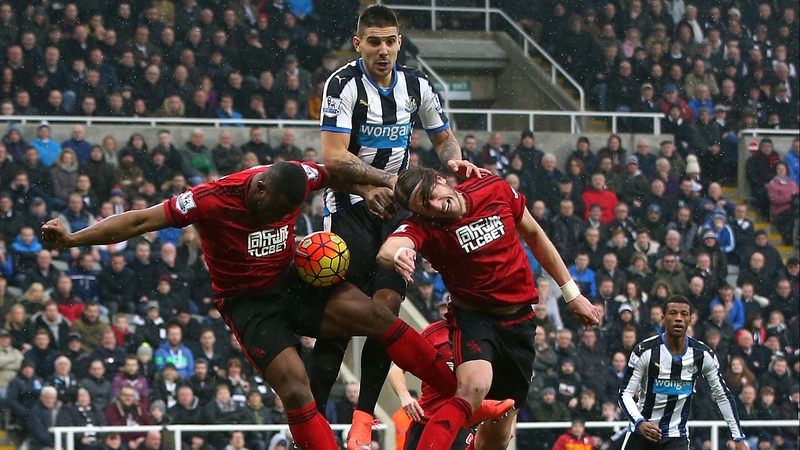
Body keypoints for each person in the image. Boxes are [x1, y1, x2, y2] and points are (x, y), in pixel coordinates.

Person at [40, 161, 470, 450]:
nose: (273, 219)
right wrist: (75, 238)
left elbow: (337, 170)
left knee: (379, 316)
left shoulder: (294, 177)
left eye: (284, 214)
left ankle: (461, 395)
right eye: (272, 212)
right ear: (258, 188)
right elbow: (138, 220)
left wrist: (377, 182)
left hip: (292, 279)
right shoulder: (210, 199)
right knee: (297, 389)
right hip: (248, 305)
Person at [315, 5, 487, 449]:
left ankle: (361, 418)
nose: (384, 49)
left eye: (391, 40)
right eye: (374, 41)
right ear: (359, 44)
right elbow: (333, 158)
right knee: (338, 324)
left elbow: (442, 135)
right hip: (347, 209)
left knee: (385, 316)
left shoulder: (417, 84)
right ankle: (308, 428)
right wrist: (383, 181)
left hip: (395, 216)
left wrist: (452, 157)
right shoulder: (343, 84)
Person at [377, 167, 599, 449]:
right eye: (424, 206)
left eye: (430, 195)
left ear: (441, 180)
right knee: (474, 387)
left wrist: (571, 294)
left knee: (500, 430)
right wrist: (399, 253)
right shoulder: (424, 227)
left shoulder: (493, 189)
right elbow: (387, 250)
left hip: (519, 321)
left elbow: (534, 234)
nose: (435, 206)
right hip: (474, 319)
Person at [618, 295, 748, 450]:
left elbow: (722, 395)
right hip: (641, 435)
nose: (678, 318)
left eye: (684, 314)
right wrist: (640, 422)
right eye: (673, 313)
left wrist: (738, 437)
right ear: (663, 318)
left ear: (690, 320)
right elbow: (625, 394)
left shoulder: (702, 355)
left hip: (676, 437)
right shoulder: (645, 351)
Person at [387, 319, 514, 450]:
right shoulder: (433, 333)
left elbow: (507, 381)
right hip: (426, 420)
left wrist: (509, 422)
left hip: (463, 421)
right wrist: (405, 396)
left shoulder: (484, 335)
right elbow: (396, 370)